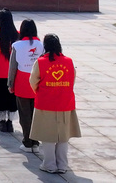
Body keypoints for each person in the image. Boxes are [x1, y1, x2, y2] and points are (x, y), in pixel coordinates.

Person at [29, 34, 80, 174]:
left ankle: (49, 164)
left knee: (48, 136)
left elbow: (33, 81)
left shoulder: (40, 62)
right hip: (65, 103)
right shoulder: (69, 61)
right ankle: (62, 165)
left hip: (46, 104)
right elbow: (72, 80)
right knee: (63, 136)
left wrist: (39, 92)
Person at [8, 19, 44, 151]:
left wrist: (10, 84)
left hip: (22, 82)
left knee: (24, 114)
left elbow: (13, 67)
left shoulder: (17, 46)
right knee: (35, 114)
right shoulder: (41, 45)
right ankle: (35, 141)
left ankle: (27, 141)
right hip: (38, 82)